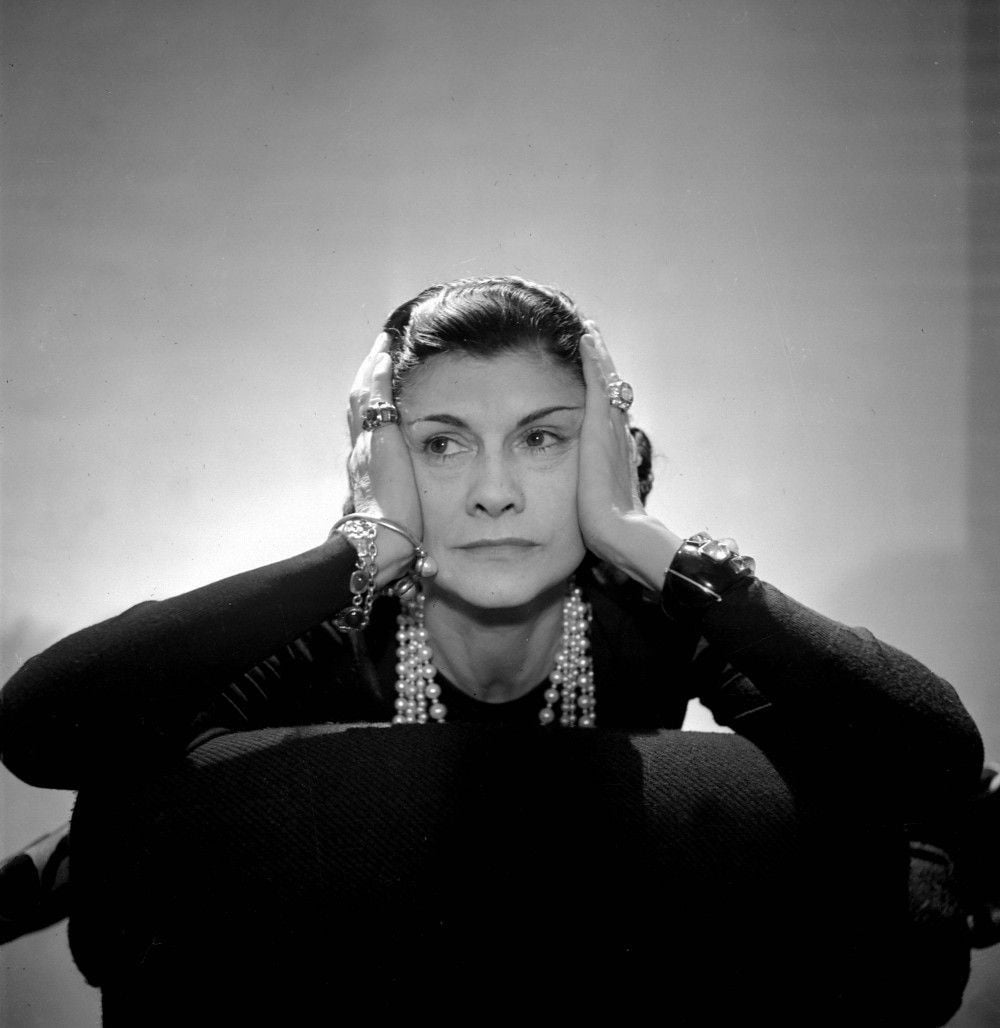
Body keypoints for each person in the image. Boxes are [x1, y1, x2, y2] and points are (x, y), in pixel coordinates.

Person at [0, 276, 990, 1022]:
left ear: (607, 454)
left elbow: (932, 759)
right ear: (381, 462)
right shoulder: (333, 620)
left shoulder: (647, 612)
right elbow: (40, 730)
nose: (494, 493)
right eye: (442, 442)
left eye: (543, 438)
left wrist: (646, 543)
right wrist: (355, 550)